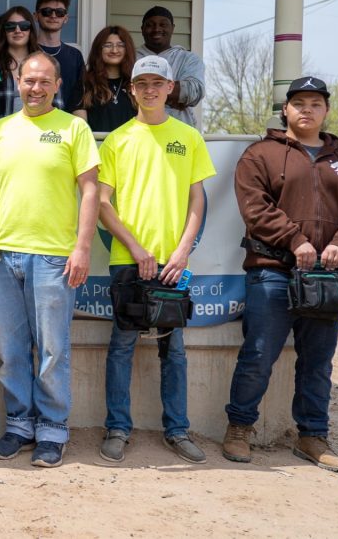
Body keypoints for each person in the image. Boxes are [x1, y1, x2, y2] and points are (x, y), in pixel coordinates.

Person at [0, 51, 99, 468]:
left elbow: (91, 192)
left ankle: (52, 430)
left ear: (57, 85)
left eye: (45, 81)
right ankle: (18, 425)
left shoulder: (74, 129)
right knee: (11, 350)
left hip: (53, 259)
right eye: (29, 80)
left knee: (51, 350)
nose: (36, 87)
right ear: (17, 80)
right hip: (3, 254)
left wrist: (82, 248)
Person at [223, 76, 338, 474]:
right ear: (285, 110)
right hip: (272, 272)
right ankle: (239, 429)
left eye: (315, 103)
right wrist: (295, 240)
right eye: (299, 103)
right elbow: (254, 209)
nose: (306, 109)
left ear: (326, 110)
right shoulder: (260, 153)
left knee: (318, 362)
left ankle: (312, 436)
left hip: (328, 278)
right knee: (258, 356)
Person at [96, 55, 216, 465]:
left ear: (170, 88)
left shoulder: (189, 137)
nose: (149, 89)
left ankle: (177, 430)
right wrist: (137, 249)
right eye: (141, 83)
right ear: (131, 90)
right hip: (128, 260)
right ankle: (117, 428)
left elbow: (197, 199)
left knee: (174, 349)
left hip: (173, 262)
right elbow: (102, 204)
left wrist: (183, 250)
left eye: (157, 83)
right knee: (122, 346)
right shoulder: (116, 140)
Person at [136, 6, 205, 129]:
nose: (157, 29)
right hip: (140, 132)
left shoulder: (188, 59)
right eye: (150, 25)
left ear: (172, 28)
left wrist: (145, 94)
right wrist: (176, 94)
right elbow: (125, 93)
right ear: (142, 29)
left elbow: (195, 91)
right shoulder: (130, 57)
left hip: (180, 131)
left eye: (163, 25)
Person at [0, 6, 40, 128]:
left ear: (31, 30)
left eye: (24, 25)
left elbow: (55, 103)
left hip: (38, 135)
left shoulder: (43, 63)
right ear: (4, 31)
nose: (17, 30)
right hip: (1, 135)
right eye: (10, 26)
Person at [75, 26, 138, 133]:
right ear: (98, 49)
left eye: (120, 45)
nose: (114, 50)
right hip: (97, 146)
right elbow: (82, 130)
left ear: (127, 49)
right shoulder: (85, 84)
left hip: (131, 147)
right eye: (108, 45)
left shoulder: (136, 84)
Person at [34, 0, 84, 113]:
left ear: (65, 18)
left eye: (59, 12)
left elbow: (79, 101)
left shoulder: (75, 56)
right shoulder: (27, 51)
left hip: (65, 128)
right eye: (47, 11)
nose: (53, 16)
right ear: (36, 16)